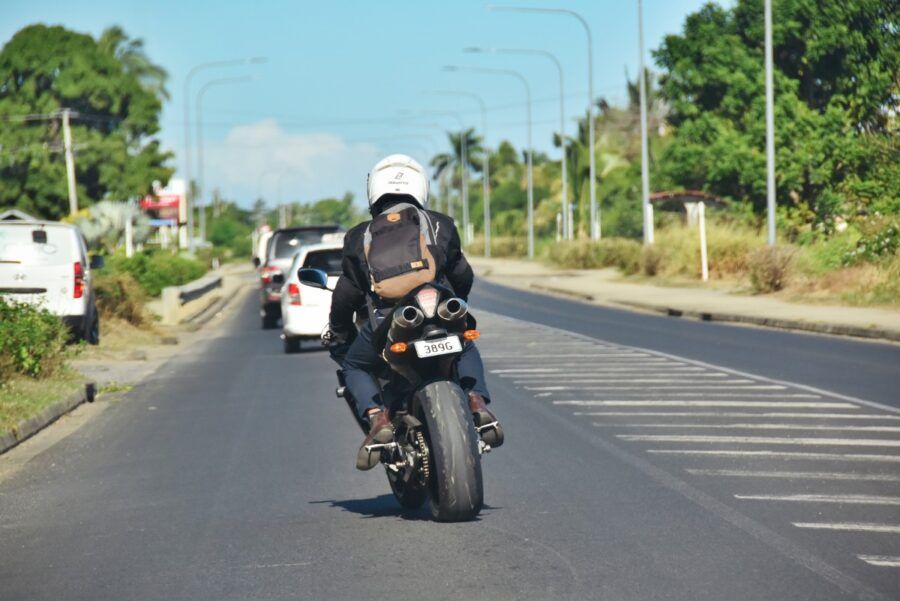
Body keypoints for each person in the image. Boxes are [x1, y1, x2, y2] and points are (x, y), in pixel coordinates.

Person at [327, 154, 503, 470]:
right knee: (465, 344)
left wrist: (338, 333)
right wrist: (457, 304)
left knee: (354, 365)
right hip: (439, 309)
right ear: (420, 187)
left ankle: (378, 418)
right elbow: (462, 274)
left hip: (389, 318)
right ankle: (476, 400)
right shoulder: (440, 223)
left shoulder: (358, 236)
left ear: (374, 190)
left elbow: (346, 295)